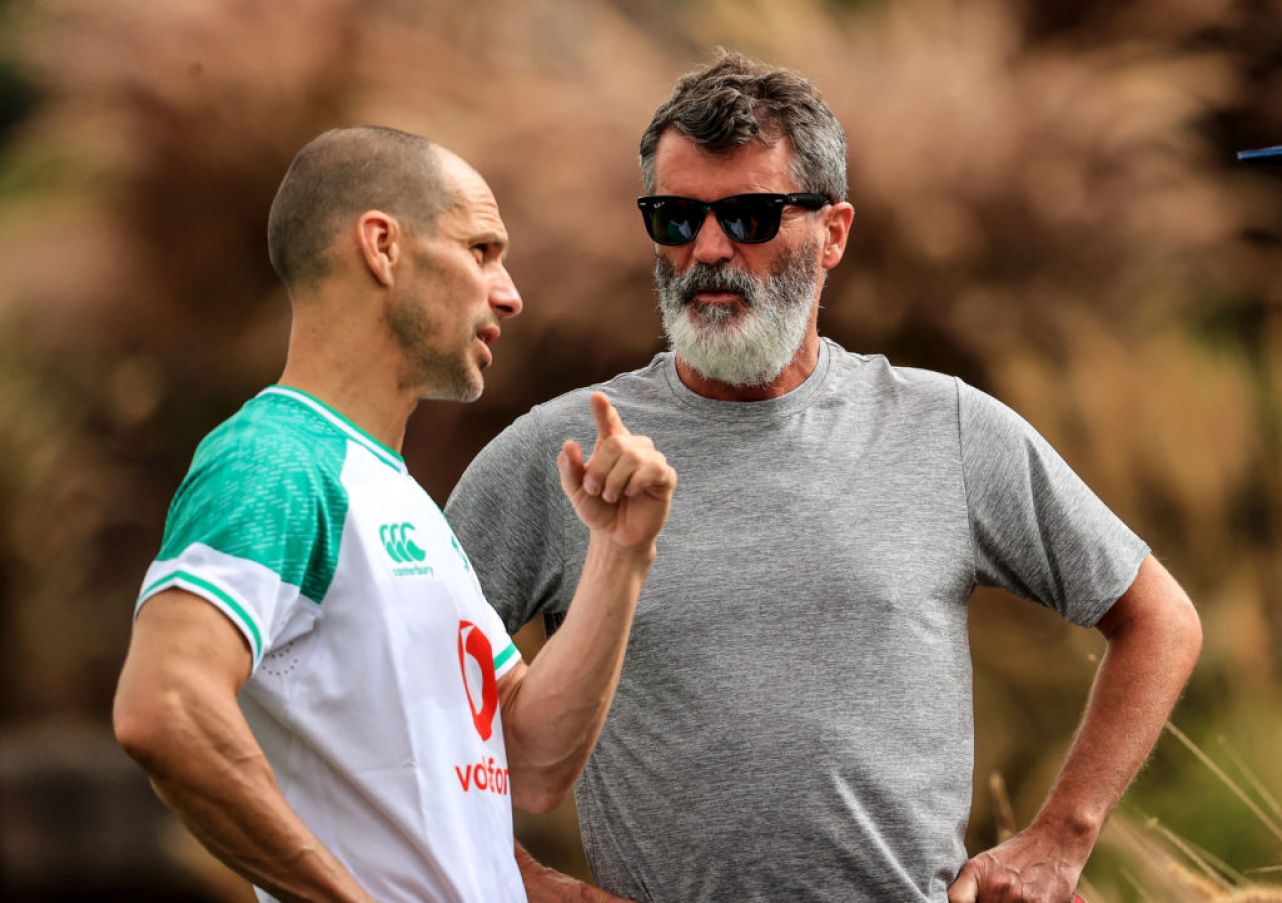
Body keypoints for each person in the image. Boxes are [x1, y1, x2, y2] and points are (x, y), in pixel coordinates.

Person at [444, 54, 1203, 903]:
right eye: (675, 216)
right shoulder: (563, 453)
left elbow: (1158, 619)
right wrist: (524, 882)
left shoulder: (943, 426)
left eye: (751, 215)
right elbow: (395, 692)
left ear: (833, 232)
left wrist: (1062, 837)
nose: (707, 248)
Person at [112, 125, 677, 903]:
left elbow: (532, 758)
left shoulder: (398, 494)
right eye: (482, 250)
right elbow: (165, 707)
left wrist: (619, 556)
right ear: (381, 246)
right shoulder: (275, 460)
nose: (509, 292)